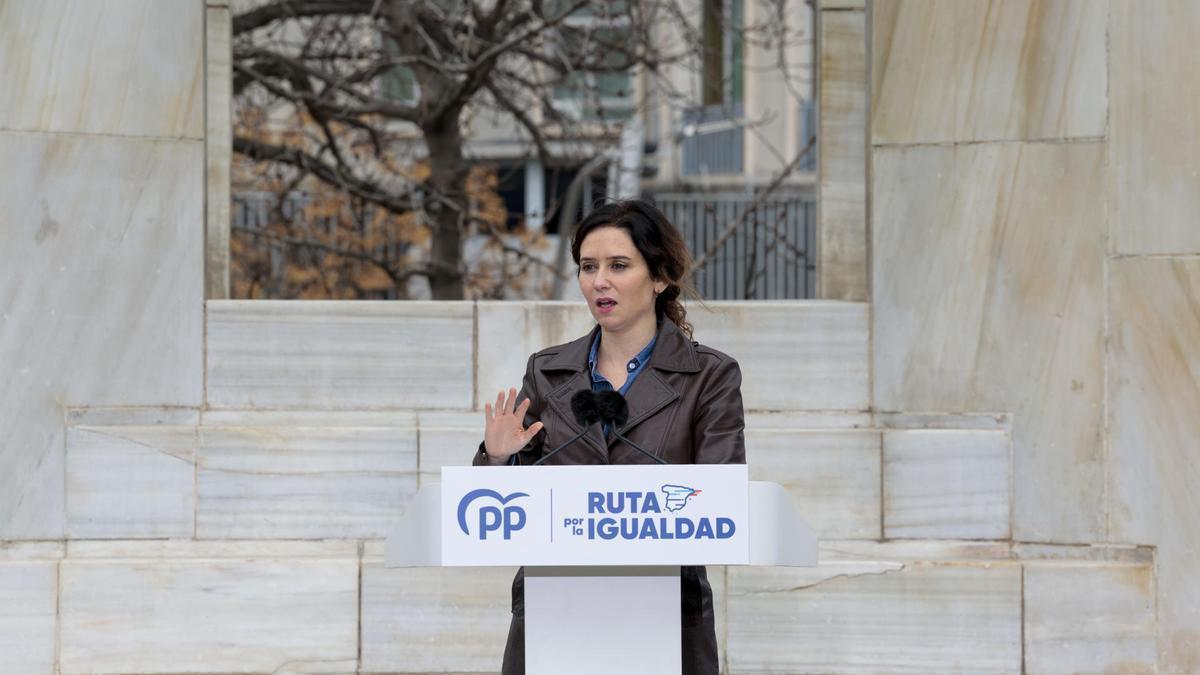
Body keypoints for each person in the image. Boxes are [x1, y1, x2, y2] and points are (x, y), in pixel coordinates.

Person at [473, 199, 746, 675]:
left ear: (659, 277)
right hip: (555, 607)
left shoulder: (709, 376)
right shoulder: (549, 372)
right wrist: (498, 459)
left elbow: (721, 502)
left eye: (619, 266)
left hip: (662, 613)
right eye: (588, 267)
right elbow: (501, 512)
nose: (599, 281)